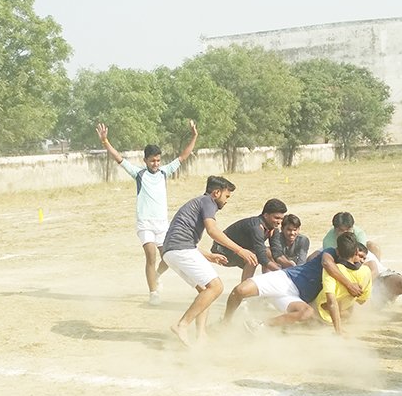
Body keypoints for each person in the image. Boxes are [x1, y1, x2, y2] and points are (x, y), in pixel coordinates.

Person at [97, 120, 198, 305]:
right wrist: (105, 141)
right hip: (145, 223)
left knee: (169, 258)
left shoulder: (164, 172)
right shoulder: (139, 174)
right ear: (145, 160)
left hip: (162, 224)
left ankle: (157, 275)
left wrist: (194, 136)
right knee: (151, 256)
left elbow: (183, 156)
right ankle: (153, 294)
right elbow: (118, 158)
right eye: (152, 160)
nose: (156, 163)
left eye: (158, 160)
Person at [161, 176, 256, 345]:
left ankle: (201, 335)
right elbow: (212, 231)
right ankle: (182, 325)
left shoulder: (198, 202)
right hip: (181, 250)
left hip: (171, 252)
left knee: (207, 290)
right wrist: (240, 250)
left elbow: (180, 239)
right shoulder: (208, 201)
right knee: (216, 287)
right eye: (226, 196)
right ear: (216, 193)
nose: (226, 201)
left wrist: (208, 256)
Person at [222, 232, 366, 331]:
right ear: (338, 250)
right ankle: (225, 322)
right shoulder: (330, 252)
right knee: (240, 290)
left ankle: (260, 325)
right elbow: (327, 264)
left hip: (295, 297)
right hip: (286, 279)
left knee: (306, 313)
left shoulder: (354, 267)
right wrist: (349, 285)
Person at [324, 211, 402, 311]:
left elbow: (374, 270)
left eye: (348, 230)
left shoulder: (359, 246)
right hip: (359, 288)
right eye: (341, 230)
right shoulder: (329, 244)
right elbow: (328, 265)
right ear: (335, 230)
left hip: (376, 280)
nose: (345, 234)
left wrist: (360, 287)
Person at [210, 198, 287, 281]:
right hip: (221, 251)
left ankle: (268, 282)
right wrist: (280, 271)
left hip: (239, 250)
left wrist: (289, 265)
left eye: (281, 219)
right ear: (266, 215)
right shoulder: (256, 227)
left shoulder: (273, 228)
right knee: (254, 256)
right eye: (276, 218)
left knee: (268, 252)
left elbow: (276, 252)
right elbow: (261, 256)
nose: (279, 222)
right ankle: (245, 286)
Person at [312, 238, 373, 335]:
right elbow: (362, 300)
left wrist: (338, 330)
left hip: (321, 316)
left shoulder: (332, 269)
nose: (361, 260)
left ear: (338, 252)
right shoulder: (366, 271)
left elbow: (331, 302)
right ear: (355, 252)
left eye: (364, 258)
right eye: (360, 256)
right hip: (341, 318)